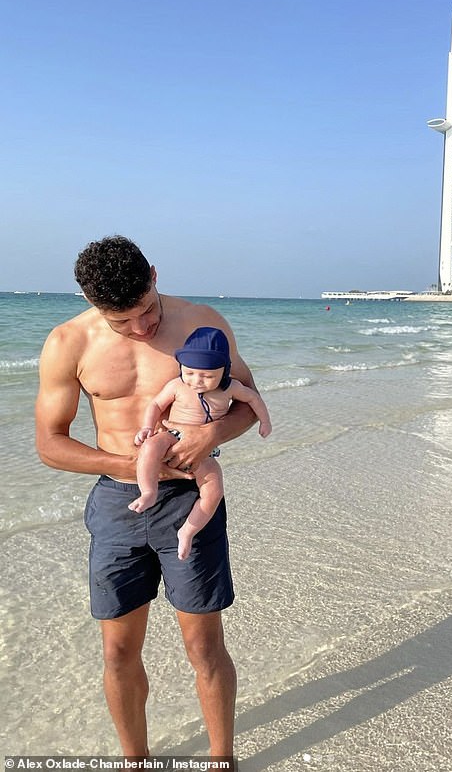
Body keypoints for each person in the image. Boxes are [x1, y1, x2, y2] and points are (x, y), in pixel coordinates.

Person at [35, 235, 257, 765]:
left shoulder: (201, 322)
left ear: (155, 276)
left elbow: (247, 402)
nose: (141, 329)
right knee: (117, 651)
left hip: (189, 502)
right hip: (117, 505)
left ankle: (220, 758)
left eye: (146, 312)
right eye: (122, 322)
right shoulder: (68, 342)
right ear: (92, 303)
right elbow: (51, 444)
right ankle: (136, 760)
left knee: (203, 646)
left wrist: (211, 437)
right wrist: (133, 466)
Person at [130, 325, 272, 561]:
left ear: (224, 371)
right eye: (190, 372)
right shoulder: (177, 385)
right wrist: (147, 427)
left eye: (207, 376)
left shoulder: (231, 388)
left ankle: (188, 531)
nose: (197, 381)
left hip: (206, 450)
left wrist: (264, 422)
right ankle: (148, 492)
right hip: (172, 433)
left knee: (214, 491)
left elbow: (253, 399)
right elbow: (156, 405)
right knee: (150, 448)